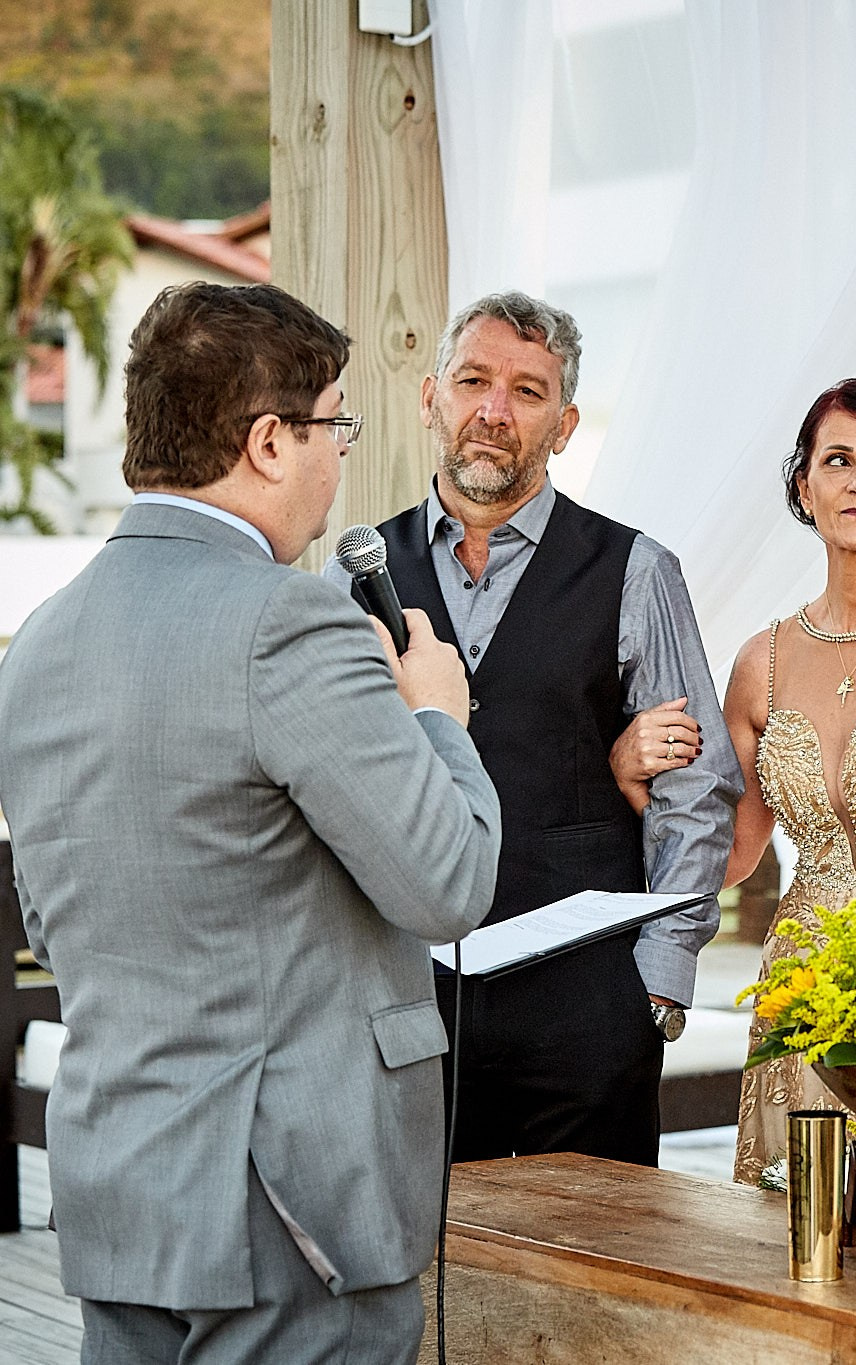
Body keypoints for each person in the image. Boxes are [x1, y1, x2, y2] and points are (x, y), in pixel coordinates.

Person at [0, 281, 501, 1364]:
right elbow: (448, 883)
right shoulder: (288, 617)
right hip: (292, 1212)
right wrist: (433, 718)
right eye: (333, 423)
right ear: (270, 441)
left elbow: (54, 907)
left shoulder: (39, 640)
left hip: (125, 1188)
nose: (339, 458)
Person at [324, 290, 741, 1167]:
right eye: (473, 380)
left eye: (527, 390)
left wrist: (659, 977)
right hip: (410, 995)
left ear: (565, 423)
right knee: (431, 1278)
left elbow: (698, 787)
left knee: (599, 1274)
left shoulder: (635, 568)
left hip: (589, 1004)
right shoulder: (355, 574)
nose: (493, 410)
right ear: (430, 396)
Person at [610, 378, 856, 1189]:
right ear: (803, 486)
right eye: (839, 460)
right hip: (801, 986)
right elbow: (734, 854)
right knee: (799, 1236)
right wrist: (627, 776)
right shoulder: (763, 660)